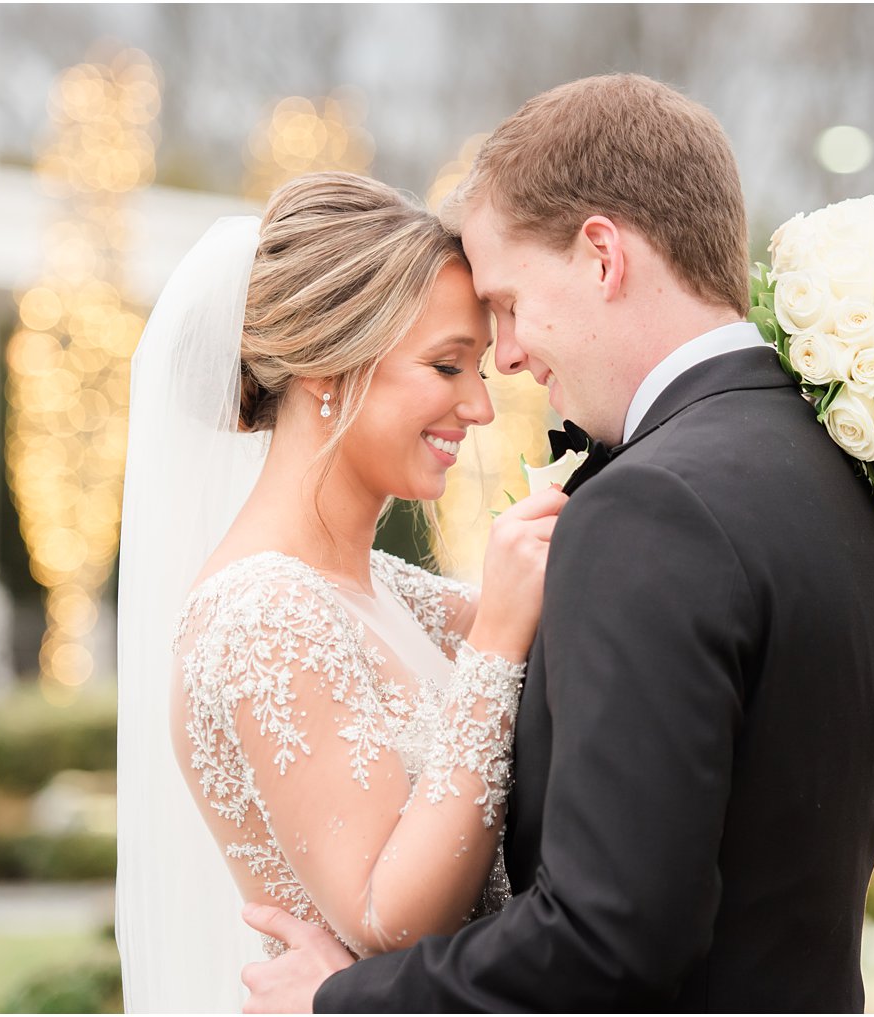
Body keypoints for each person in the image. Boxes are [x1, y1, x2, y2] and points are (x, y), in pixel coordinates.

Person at [240, 73, 874, 1013]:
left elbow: (611, 934)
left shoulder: (652, 506)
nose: (508, 356)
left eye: (509, 305)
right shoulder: (839, 472)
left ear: (601, 254)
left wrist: (343, 1001)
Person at [115, 172, 568, 1012]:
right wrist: (500, 638)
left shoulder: (399, 594)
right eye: (446, 366)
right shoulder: (260, 615)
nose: (477, 406)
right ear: (329, 366)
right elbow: (388, 918)